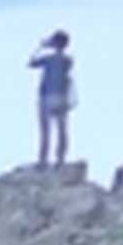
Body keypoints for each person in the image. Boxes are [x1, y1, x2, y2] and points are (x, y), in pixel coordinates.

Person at [32, 30, 77, 168]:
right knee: (61, 130)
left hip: (46, 98)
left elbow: (31, 63)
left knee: (46, 131)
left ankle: (43, 160)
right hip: (61, 97)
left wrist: (41, 47)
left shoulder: (49, 60)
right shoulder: (68, 60)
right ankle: (60, 159)